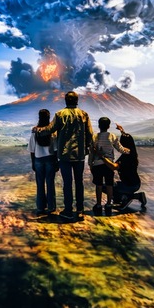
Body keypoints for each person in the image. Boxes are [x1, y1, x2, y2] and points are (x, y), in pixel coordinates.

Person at [33, 91, 93, 220]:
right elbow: (89, 134)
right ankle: (80, 210)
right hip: (79, 155)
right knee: (79, 182)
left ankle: (68, 210)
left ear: (65, 101)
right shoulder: (84, 115)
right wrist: (87, 148)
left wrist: (38, 130)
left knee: (67, 183)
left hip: (64, 155)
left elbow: (50, 129)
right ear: (77, 101)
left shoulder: (60, 114)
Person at [88, 117, 129, 216]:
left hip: (97, 164)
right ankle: (108, 204)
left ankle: (98, 204)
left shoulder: (94, 137)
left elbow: (91, 152)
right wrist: (129, 150)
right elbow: (120, 149)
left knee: (98, 185)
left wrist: (90, 163)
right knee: (109, 184)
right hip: (109, 165)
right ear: (109, 126)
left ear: (99, 125)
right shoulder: (112, 136)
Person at [101, 124, 145, 210]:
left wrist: (102, 157)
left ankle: (126, 198)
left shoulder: (125, 158)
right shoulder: (132, 154)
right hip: (135, 183)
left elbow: (114, 167)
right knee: (115, 187)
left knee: (106, 187)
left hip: (129, 185)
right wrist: (121, 130)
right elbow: (127, 138)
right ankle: (136, 196)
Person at [28, 109, 58, 216]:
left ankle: (40, 207)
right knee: (50, 183)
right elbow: (55, 150)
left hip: (38, 160)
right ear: (49, 118)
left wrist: (33, 163)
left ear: (39, 117)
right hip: (50, 160)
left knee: (40, 184)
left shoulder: (34, 132)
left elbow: (32, 149)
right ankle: (51, 207)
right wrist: (56, 163)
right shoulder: (53, 132)